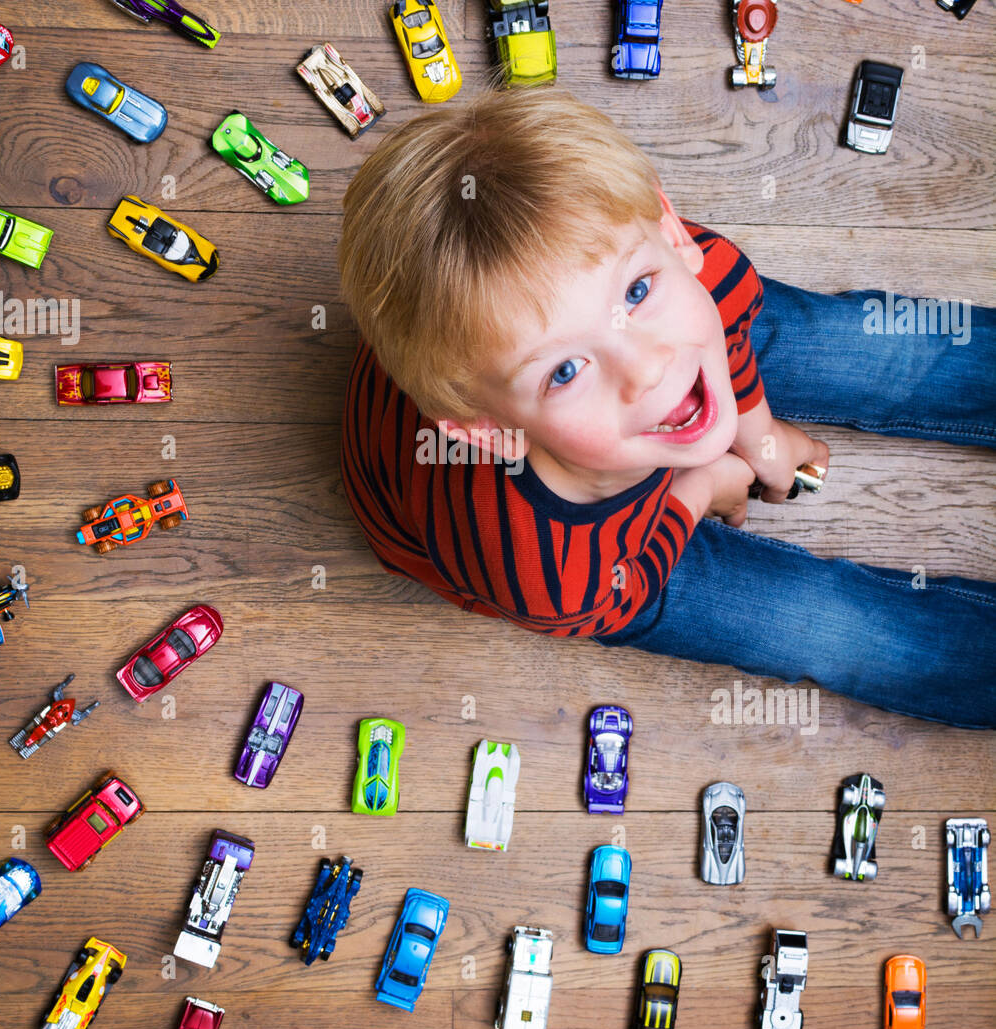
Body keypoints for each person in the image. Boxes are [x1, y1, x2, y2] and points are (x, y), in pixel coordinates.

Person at [338, 87, 996, 728]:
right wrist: (698, 483)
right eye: (564, 370)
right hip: (582, 545)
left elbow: (725, 325)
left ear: (670, 231)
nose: (648, 366)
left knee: (849, 341)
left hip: (535, 403)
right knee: (823, 622)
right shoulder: (538, 568)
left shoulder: (697, 267)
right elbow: (612, 596)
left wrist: (758, 434)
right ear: (492, 431)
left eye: (637, 290)